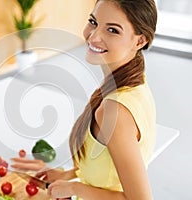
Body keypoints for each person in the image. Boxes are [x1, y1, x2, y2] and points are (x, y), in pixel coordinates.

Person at [11, 0, 158, 199]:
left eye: (113, 30)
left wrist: (74, 188)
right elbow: (109, 166)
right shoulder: (135, 83)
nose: (94, 36)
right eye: (93, 22)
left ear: (139, 41)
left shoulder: (114, 111)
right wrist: (68, 175)